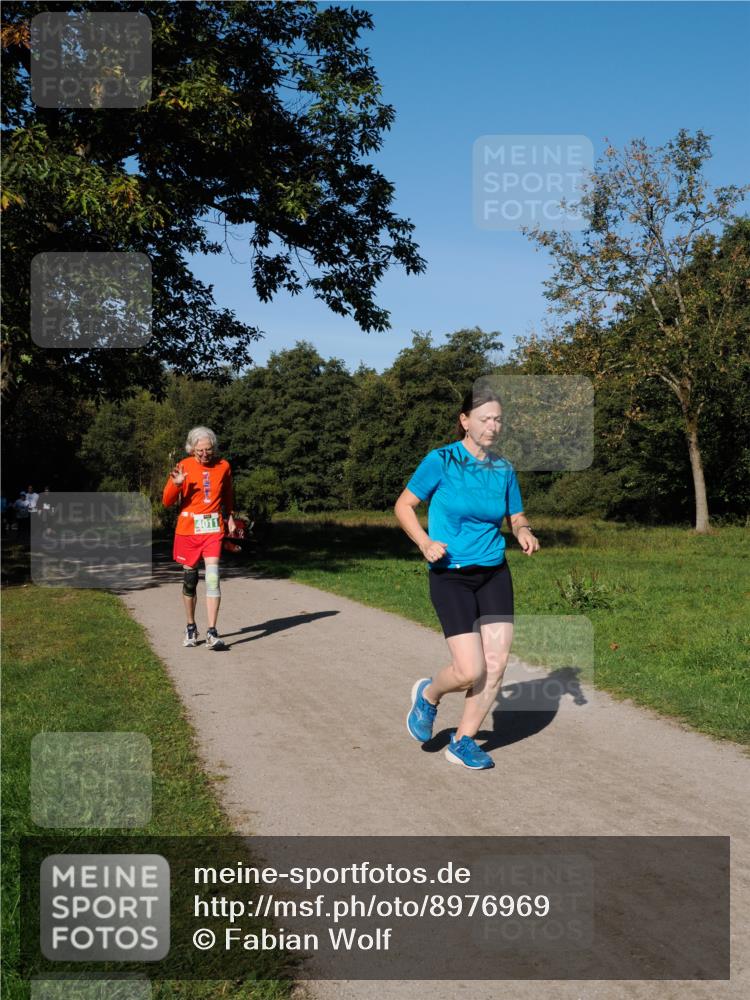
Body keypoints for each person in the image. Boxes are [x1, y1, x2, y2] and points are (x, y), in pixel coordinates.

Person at [394, 383, 540, 770]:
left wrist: (522, 529)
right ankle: (428, 696)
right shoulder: (441, 460)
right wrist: (424, 542)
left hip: (494, 571)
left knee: (496, 665)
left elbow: (516, 514)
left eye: (498, 420)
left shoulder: (503, 469)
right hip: (451, 575)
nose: (493, 426)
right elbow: (404, 505)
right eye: (484, 419)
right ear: (464, 421)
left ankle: (463, 741)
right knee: (469, 670)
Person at [162, 426, 236, 650]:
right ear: (192, 449)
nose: (205, 454)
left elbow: (228, 494)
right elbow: (166, 501)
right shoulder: (183, 466)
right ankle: (191, 626)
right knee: (190, 580)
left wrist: (230, 516)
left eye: (209, 449)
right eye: (200, 450)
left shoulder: (223, 466)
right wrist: (176, 485)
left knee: (213, 578)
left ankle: (212, 631)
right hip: (188, 530)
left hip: (212, 529)